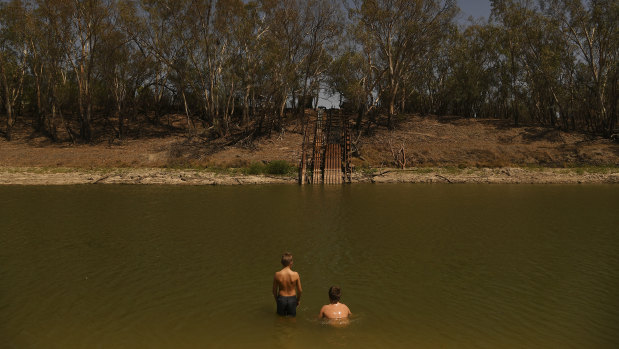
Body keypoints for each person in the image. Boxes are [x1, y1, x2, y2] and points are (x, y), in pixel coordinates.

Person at [273, 252, 303, 316]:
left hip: (281, 299)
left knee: (280, 319)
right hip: (292, 299)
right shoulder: (295, 274)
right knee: (292, 320)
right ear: (291, 262)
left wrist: (277, 301)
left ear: (281, 262)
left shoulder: (277, 274)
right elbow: (300, 290)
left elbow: (274, 291)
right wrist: (298, 300)